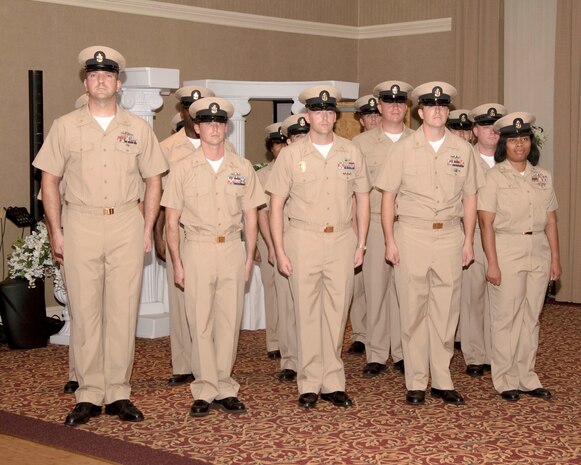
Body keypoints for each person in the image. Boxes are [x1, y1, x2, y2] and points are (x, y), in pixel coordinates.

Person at [34, 46, 167, 426]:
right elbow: (50, 180)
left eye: (107, 75)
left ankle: (119, 392)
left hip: (126, 221)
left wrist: (146, 227)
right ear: (86, 82)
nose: (100, 80)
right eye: (93, 75)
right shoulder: (65, 126)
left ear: (118, 83)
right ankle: (90, 393)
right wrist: (56, 231)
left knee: (123, 311)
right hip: (81, 223)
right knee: (85, 311)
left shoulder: (138, 129)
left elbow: (154, 180)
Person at [266, 85, 370, 409]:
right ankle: (309, 382)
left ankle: (333, 382)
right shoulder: (291, 155)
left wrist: (361, 242)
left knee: (337, 313)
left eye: (329, 111)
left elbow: (363, 198)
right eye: (317, 111)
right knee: (307, 312)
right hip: (303, 238)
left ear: (334, 115)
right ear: (307, 115)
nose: (323, 116)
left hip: (341, 238)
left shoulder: (351, 152)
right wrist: (280, 250)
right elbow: (275, 205)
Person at [376, 81, 479, 406]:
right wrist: (390, 240)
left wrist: (468, 241)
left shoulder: (462, 150)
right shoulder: (404, 148)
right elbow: (388, 198)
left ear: (448, 111)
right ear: (420, 112)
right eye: (431, 107)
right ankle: (417, 381)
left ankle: (443, 379)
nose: (437, 111)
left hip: (450, 235)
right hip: (412, 234)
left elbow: (470, 198)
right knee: (413, 308)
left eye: (443, 107)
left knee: (446, 310)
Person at [162, 96, 266, 417]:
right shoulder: (182, 168)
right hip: (197, 248)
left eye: (219, 123)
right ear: (197, 126)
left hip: (232, 249)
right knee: (200, 320)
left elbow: (251, 216)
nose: (214, 128)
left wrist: (249, 257)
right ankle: (205, 386)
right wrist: (177, 262)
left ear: (226, 127)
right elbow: (171, 221)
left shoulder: (242, 167)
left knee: (228, 320)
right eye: (207, 122)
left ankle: (224, 384)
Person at [478, 112, 560, 402]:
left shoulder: (543, 176)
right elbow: (485, 223)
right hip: (507, 249)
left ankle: (527, 376)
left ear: (531, 143)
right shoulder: (493, 177)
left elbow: (551, 221)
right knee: (506, 318)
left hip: (538, 249)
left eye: (524, 139)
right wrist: (493, 262)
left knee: (531, 318)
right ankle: (505, 378)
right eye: (513, 140)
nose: (519, 145)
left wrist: (555, 259)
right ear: (504, 144)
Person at [155, 85, 216, 387]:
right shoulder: (166, 149)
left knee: (212, 303)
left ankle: (210, 364)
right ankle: (183, 363)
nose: (193, 114)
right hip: (177, 231)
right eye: (188, 108)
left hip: (212, 233)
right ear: (182, 112)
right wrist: (157, 235)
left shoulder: (223, 148)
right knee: (181, 300)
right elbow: (156, 197)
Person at [352, 81, 414, 378]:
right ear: (379, 107)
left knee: (406, 292)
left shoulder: (419, 141)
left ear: (407, 107)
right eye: (389, 102)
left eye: (400, 102)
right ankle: (376, 352)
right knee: (375, 288)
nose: (394, 107)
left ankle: (403, 351)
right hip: (375, 222)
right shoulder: (360, 145)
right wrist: (357, 235)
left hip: (411, 224)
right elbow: (353, 192)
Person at [459, 103, 506, 377]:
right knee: (472, 296)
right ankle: (475, 354)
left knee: (498, 297)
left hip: (502, 235)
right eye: (486, 126)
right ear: (475, 130)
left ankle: (495, 353)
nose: (492, 132)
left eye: (497, 127)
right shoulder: (463, 158)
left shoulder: (509, 158)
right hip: (474, 233)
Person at [268, 113, 311, 383]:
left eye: (303, 135)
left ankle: (311, 360)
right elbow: (267, 212)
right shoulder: (279, 167)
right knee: (287, 306)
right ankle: (291, 360)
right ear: (287, 139)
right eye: (295, 135)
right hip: (285, 242)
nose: (300, 140)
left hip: (307, 240)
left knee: (309, 308)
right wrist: (275, 246)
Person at [346, 95, 381, 356]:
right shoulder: (354, 146)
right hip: (359, 218)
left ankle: (384, 336)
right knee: (359, 284)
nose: (373, 119)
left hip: (387, 220)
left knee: (382, 284)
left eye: (376, 115)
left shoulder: (403, 142)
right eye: (368, 116)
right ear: (361, 120)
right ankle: (360, 333)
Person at [256, 122, 286, 361]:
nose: (281, 148)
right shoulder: (261, 176)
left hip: (295, 237)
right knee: (273, 290)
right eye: (277, 144)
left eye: (284, 142)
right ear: (271, 147)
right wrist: (267, 245)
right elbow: (259, 212)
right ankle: (274, 341)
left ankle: (292, 341)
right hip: (268, 239)